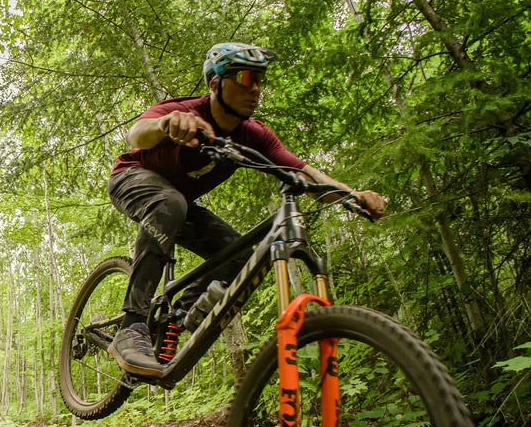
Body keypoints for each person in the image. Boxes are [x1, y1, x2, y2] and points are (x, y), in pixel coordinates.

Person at [106, 42, 386, 378]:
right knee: (170, 203)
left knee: (238, 255)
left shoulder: (254, 136)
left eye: (259, 80)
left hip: (178, 204)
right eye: (242, 77)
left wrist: (353, 197)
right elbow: (137, 133)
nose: (253, 88)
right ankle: (132, 326)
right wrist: (168, 124)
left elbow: (305, 174)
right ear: (215, 84)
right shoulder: (185, 110)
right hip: (132, 179)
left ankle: (174, 317)